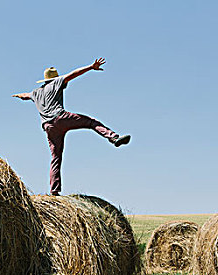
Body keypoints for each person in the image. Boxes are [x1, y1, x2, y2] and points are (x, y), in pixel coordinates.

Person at [12, 57, 131, 196]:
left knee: (56, 158)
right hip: (60, 118)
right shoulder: (56, 82)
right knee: (91, 122)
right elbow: (73, 74)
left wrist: (18, 95)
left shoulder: (36, 92)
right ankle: (114, 138)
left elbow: (25, 95)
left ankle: (54, 191)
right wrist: (91, 67)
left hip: (48, 127)